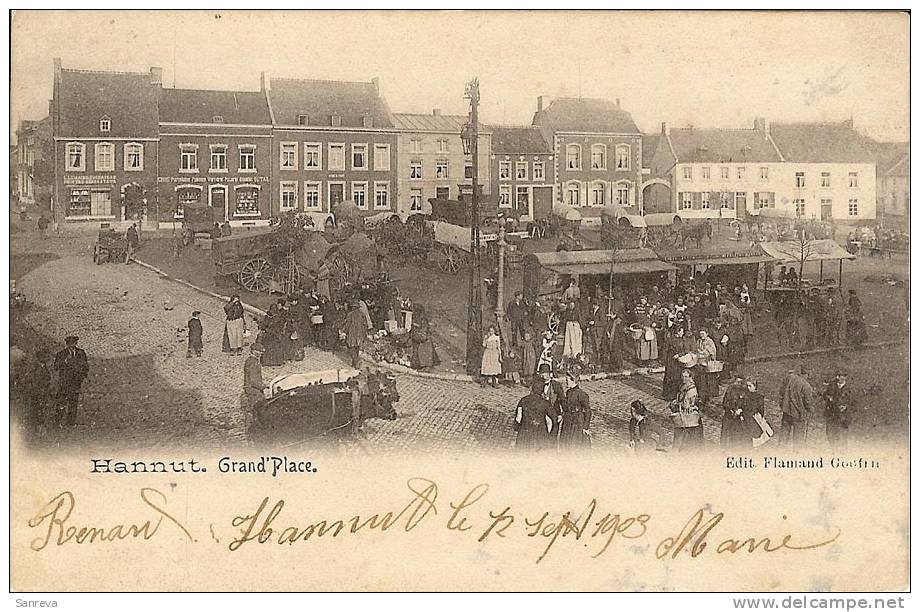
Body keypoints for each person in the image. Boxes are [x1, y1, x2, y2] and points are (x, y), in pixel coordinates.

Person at [53, 336, 89, 428]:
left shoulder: (81, 353)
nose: (72, 345)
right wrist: (65, 361)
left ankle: (71, 423)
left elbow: (85, 366)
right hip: (64, 383)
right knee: (61, 402)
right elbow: (56, 367)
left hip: (75, 383)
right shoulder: (61, 354)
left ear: (76, 343)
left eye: (74, 342)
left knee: (73, 403)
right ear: (67, 344)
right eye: (70, 343)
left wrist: (82, 377)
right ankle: (57, 422)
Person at [779, 366, 817, 449]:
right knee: (798, 440)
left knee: (783, 437)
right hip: (798, 415)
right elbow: (808, 403)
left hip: (787, 411)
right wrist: (811, 410)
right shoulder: (806, 386)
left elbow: (781, 391)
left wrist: (782, 403)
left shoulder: (790, 378)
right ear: (808, 374)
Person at [670, 369, 703, 452]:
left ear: (690, 377)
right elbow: (679, 397)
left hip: (689, 415)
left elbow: (686, 404)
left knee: (687, 436)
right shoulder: (682, 385)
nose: (683, 378)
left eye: (686, 377)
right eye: (682, 376)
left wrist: (677, 404)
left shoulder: (691, 389)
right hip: (683, 413)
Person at [720, 378, 755, 450]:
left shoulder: (744, 391)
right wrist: (733, 410)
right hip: (730, 417)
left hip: (738, 419)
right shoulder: (731, 390)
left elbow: (748, 405)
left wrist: (740, 410)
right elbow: (725, 403)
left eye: (740, 382)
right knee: (728, 436)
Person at [559, 373, 591, 449]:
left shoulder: (581, 394)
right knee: (565, 442)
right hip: (568, 419)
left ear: (573, 380)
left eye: (567, 380)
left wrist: (586, 426)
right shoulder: (568, 392)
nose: (566, 382)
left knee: (575, 443)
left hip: (577, 421)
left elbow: (587, 410)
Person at [823, 371, 853, 450]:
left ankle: (842, 453)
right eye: (839, 376)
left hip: (843, 415)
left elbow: (854, 402)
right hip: (831, 414)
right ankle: (834, 449)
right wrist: (828, 397)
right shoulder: (832, 385)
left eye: (843, 376)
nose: (840, 378)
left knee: (842, 435)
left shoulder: (850, 388)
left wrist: (846, 406)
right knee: (830, 433)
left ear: (845, 377)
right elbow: (824, 395)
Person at [663, 324, 693, 400]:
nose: (682, 333)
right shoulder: (670, 340)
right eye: (681, 332)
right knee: (669, 377)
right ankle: (668, 395)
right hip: (671, 361)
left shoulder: (683, 339)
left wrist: (679, 355)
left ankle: (676, 394)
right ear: (677, 332)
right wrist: (666, 360)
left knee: (678, 377)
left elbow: (686, 350)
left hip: (679, 361)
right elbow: (665, 350)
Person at [241, 343, 268, 426]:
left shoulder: (250, 360)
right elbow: (253, 380)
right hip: (253, 390)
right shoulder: (253, 363)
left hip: (250, 388)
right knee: (258, 408)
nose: (261, 354)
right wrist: (263, 386)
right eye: (259, 352)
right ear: (254, 351)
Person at [345, 300, 368, 369]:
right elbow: (365, 325)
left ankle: (356, 361)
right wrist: (364, 333)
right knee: (357, 347)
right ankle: (354, 362)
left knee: (351, 348)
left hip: (352, 333)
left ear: (352, 307)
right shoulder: (362, 314)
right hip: (360, 333)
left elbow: (347, 325)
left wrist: (345, 331)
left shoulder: (350, 314)